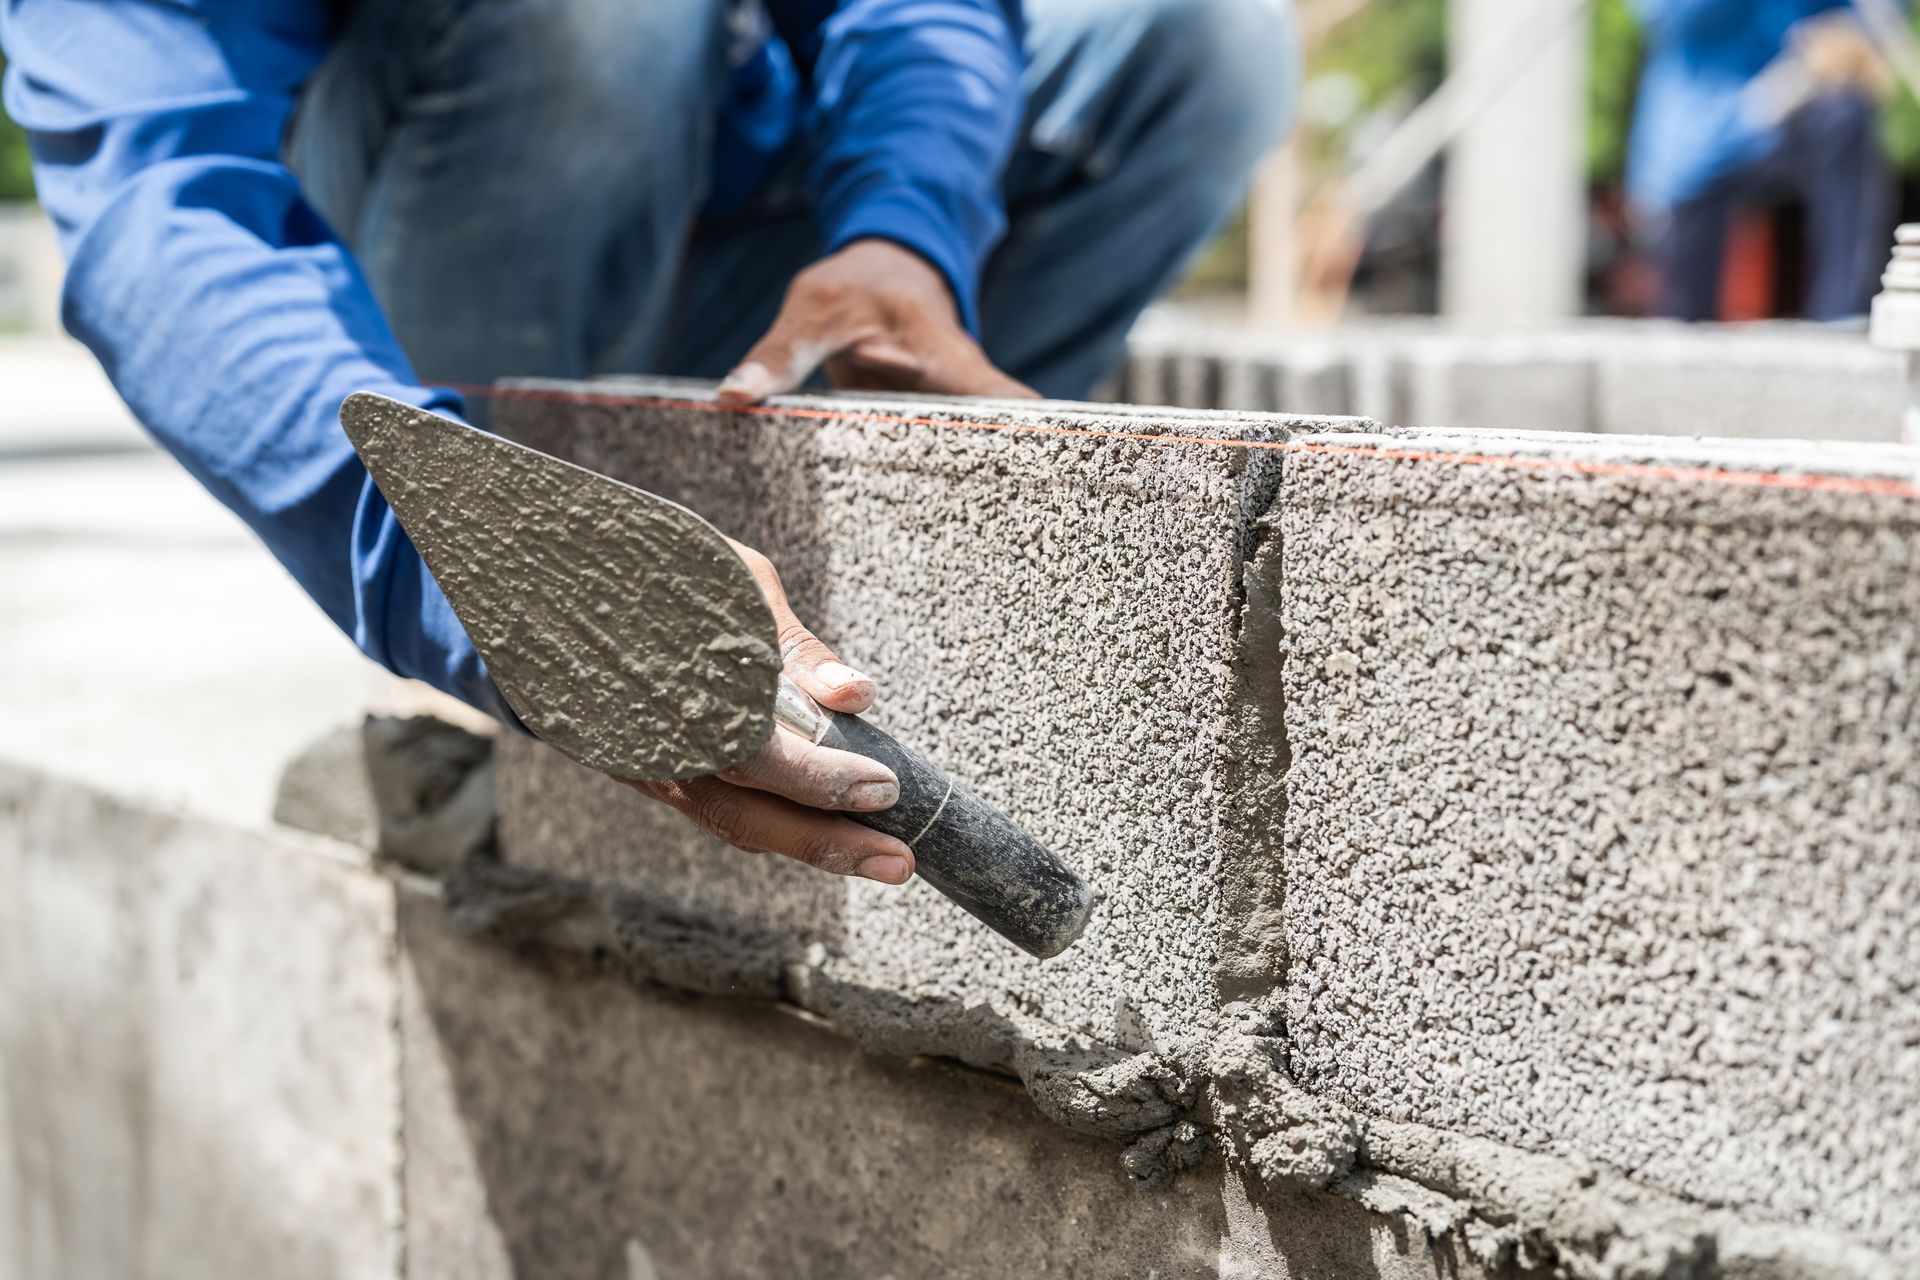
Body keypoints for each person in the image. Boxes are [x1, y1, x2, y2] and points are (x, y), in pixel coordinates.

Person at [1, 0, 1297, 884]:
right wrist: (489, 581)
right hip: (414, 228)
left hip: (721, 211)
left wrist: (905, 227)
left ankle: (830, 674)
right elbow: (159, 214)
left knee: (1193, 39)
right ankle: (535, 663)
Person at [1629, 0, 1894, 321]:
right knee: (1684, 314)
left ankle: (1843, 316)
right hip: (1699, 137)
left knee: (1845, 117)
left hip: (1786, 115)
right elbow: (1667, 16)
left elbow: (1872, 12)